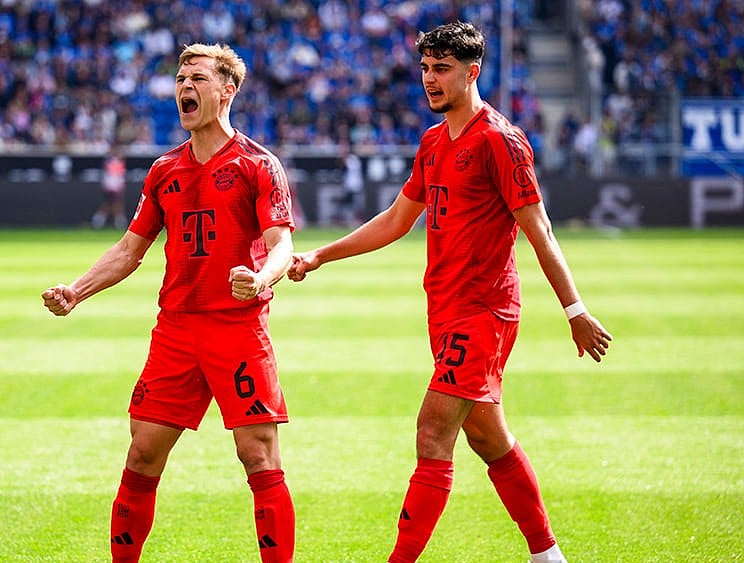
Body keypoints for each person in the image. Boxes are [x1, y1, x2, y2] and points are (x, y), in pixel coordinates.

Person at [287, 22, 612, 563]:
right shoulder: (434, 141)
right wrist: (321, 255)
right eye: (425, 69)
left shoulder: (500, 141)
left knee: (433, 429)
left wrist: (574, 309)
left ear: (472, 72)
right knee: (488, 438)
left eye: (442, 69)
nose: (430, 80)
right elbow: (395, 220)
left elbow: (541, 231)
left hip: (485, 311)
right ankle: (548, 555)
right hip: (443, 309)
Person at [42, 43, 296, 563]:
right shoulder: (164, 170)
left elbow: (281, 246)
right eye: (181, 78)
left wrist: (263, 277)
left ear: (227, 90)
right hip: (177, 332)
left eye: (198, 78)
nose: (185, 87)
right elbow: (130, 249)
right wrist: (76, 290)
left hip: (237, 329)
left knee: (259, 456)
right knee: (141, 454)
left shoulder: (257, 164)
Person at [91, 146, 128, 229]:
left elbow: (120, 176)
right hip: (111, 186)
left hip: (116, 186)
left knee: (117, 204)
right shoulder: (110, 162)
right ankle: (99, 221)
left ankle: (118, 221)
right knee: (109, 204)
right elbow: (109, 175)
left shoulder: (120, 163)